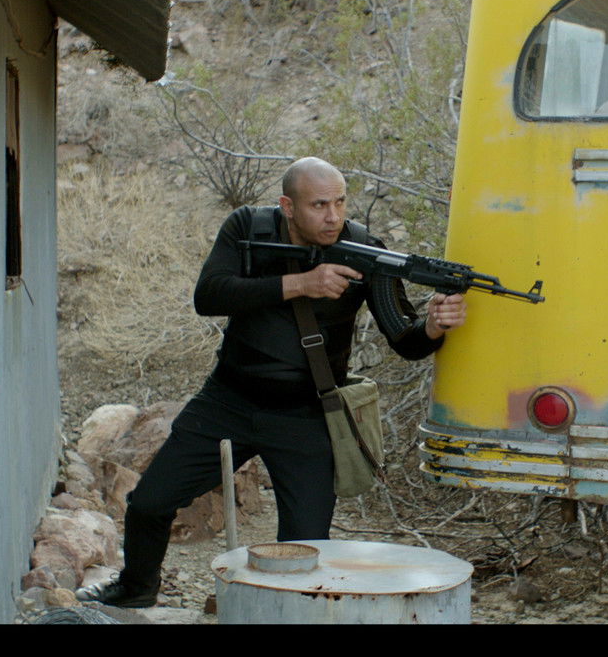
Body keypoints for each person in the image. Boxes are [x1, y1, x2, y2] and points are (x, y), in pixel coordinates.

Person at [77, 157, 466, 608]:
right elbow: (209, 295)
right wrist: (301, 283)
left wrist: (434, 327)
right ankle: (136, 588)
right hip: (228, 401)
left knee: (306, 546)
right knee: (149, 502)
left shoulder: (365, 250)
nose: (333, 216)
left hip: (306, 414)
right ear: (288, 206)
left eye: (340, 202)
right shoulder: (248, 228)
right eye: (319, 205)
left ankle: (286, 614)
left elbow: (407, 341)